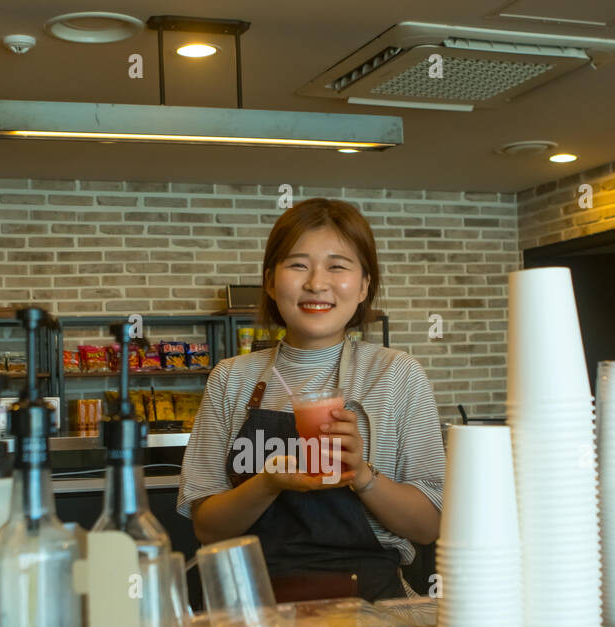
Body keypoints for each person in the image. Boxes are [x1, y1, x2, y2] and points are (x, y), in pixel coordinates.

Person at [177, 198, 445, 601]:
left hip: (370, 609)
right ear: (270, 281)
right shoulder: (231, 378)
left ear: (364, 285)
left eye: (337, 266)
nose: (316, 283)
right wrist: (268, 482)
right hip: (253, 605)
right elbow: (208, 528)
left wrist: (362, 475)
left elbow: (428, 527)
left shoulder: (397, 375)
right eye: (298, 264)